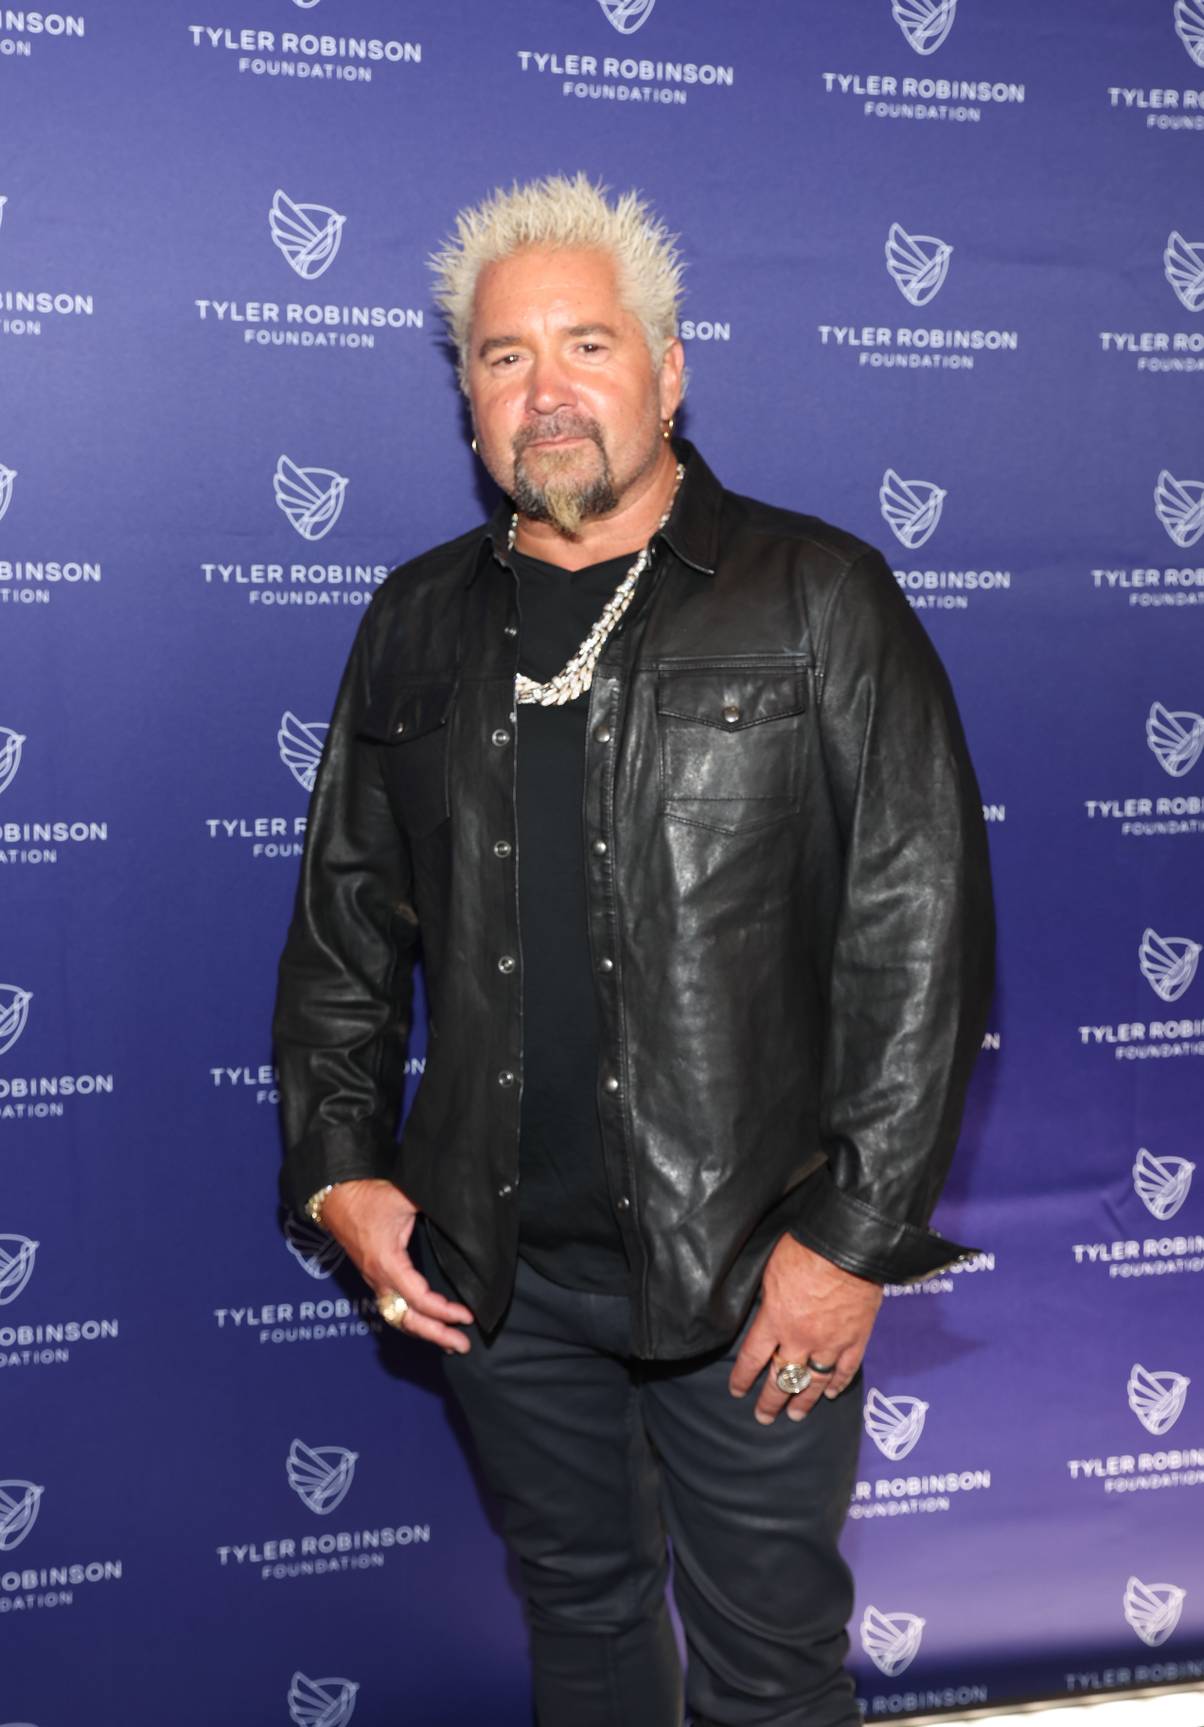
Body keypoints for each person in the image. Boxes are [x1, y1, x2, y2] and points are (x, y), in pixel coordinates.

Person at [272, 172, 994, 1727]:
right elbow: (343, 926)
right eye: (504, 356)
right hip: (497, 1275)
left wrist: (849, 1245)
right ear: (469, 399)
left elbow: (920, 939)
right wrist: (341, 1172)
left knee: (771, 1665)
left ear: (668, 372)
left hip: (756, 1264)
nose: (546, 392)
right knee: (583, 1627)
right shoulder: (413, 622)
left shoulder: (819, 597)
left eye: (586, 346)